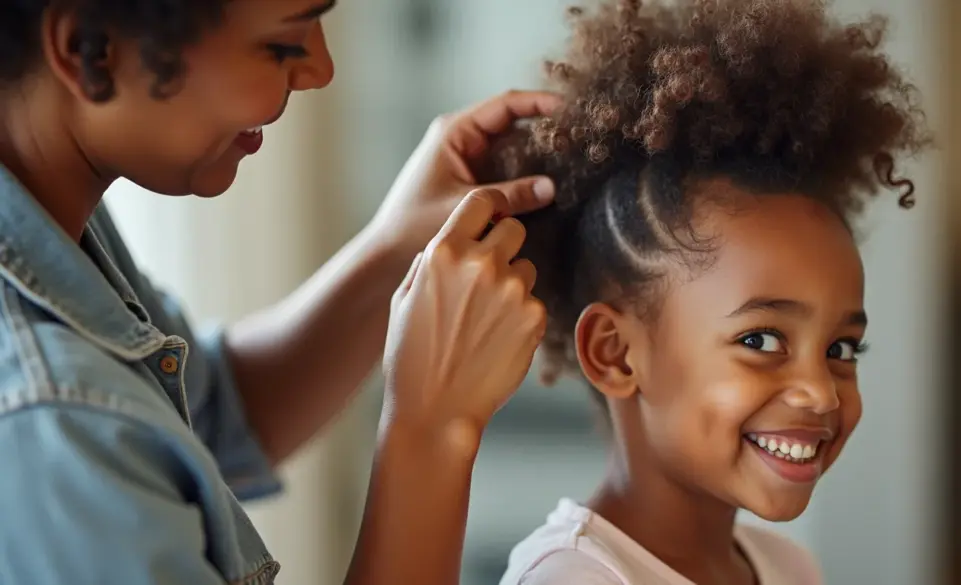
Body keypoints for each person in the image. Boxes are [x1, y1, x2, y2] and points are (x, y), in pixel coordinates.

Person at [0, 1, 555, 584]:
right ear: (88, 48)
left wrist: (398, 247)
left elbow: (205, 417)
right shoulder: (47, 426)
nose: (321, 70)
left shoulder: (51, 218)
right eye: (281, 45)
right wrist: (433, 429)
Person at [480, 0, 933, 584]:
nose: (821, 393)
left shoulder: (787, 567)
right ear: (615, 353)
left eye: (841, 349)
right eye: (762, 338)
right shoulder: (573, 577)